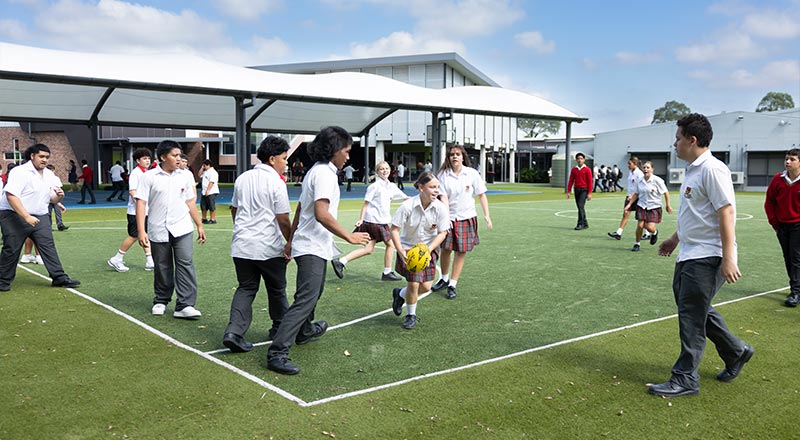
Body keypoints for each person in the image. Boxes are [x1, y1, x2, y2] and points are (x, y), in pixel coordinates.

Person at [649, 113, 753, 398]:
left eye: (678, 138)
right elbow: (696, 215)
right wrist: (673, 238)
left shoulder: (712, 169)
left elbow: (726, 212)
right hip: (689, 252)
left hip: (708, 256)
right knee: (694, 308)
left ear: (692, 140)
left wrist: (728, 256)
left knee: (692, 316)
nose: (675, 144)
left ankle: (685, 378)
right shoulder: (693, 170)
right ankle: (736, 351)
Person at [266, 126, 370, 375]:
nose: (348, 156)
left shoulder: (319, 172)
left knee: (313, 293)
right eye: (345, 151)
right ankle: (277, 352)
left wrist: (291, 239)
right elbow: (321, 214)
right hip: (311, 245)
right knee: (306, 299)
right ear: (333, 150)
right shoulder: (324, 174)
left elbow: (303, 206)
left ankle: (304, 331)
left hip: (312, 244)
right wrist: (349, 236)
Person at [223, 136, 292, 353]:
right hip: (267, 246)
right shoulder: (276, 182)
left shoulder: (243, 178)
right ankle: (280, 327)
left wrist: (242, 229)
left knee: (246, 288)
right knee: (277, 288)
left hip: (242, 245)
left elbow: (234, 209)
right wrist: (290, 242)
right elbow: (282, 218)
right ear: (272, 159)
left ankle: (234, 332)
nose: (286, 163)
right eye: (284, 158)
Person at [136, 140, 205, 319]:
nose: (178, 158)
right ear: (162, 157)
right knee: (162, 265)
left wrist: (199, 224)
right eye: (174, 155)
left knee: (185, 263)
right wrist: (141, 231)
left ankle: (185, 304)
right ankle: (161, 299)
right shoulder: (149, 177)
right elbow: (141, 203)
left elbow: (190, 201)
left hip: (182, 227)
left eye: (179, 155)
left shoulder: (185, 175)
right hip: (158, 228)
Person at [0, 144, 80, 291]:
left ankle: (59, 277)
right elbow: (11, 196)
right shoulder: (20, 172)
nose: (44, 160)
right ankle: (3, 281)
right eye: (41, 156)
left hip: (40, 215)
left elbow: (51, 199)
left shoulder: (49, 175)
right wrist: (26, 216)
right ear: (32, 156)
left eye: (47, 157)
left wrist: (59, 197)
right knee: (11, 248)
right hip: (14, 215)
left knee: (48, 246)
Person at [431, 144, 492, 300]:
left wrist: (487, 215)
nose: (455, 157)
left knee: (461, 252)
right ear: (449, 157)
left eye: (458, 154)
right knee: (445, 249)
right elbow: (443, 198)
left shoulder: (471, 174)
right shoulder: (443, 175)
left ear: (463, 156)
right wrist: (445, 218)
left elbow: (482, 195)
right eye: (452, 154)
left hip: (467, 217)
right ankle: (444, 279)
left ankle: (453, 283)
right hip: (450, 217)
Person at [390, 172, 450, 329]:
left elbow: (443, 232)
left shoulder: (440, 209)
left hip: (428, 249)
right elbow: (394, 229)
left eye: (437, 187)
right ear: (421, 187)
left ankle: (400, 294)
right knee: (414, 284)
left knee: (426, 287)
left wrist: (428, 250)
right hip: (409, 249)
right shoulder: (407, 206)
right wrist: (400, 250)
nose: (436, 190)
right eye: (432, 187)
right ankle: (411, 315)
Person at [331, 160, 408, 281]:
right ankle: (387, 272)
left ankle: (341, 261)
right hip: (375, 221)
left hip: (379, 221)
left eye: (386, 168)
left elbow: (405, 198)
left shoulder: (391, 187)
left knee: (369, 249)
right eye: (381, 169)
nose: (385, 171)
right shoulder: (374, 187)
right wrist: (361, 219)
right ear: (377, 172)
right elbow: (366, 204)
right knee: (391, 244)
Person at [107, 148, 155, 272]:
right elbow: (133, 191)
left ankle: (150, 261)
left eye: (148, 158)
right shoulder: (136, 173)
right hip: (135, 212)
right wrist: (140, 205)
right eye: (144, 158)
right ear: (137, 160)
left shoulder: (146, 173)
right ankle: (117, 258)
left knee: (144, 235)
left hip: (145, 211)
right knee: (134, 236)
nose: (147, 161)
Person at [764, 148, 800, 307]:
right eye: (786, 159)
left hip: (798, 226)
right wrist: (774, 223)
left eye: (792, 159)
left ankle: (795, 292)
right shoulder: (778, 179)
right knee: (789, 258)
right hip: (782, 227)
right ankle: (796, 287)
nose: (787, 162)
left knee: (796, 258)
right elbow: (769, 202)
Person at [624, 161, 672, 252]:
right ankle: (636, 244)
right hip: (642, 205)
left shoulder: (657, 180)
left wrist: (668, 205)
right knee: (640, 225)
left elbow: (665, 192)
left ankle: (654, 232)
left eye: (648, 167)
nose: (645, 169)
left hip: (654, 206)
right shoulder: (640, 180)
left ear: (652, 169)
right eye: (644, 167)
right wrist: (629, 205)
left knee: (649, 227)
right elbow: (636, 193)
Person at [608, 157, 644, 241]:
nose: (628, 165)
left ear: (635, 164)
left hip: (637, 197)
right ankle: (619, 233)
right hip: (629, 196)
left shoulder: (639, 174)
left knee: (641, 217)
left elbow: (640, 186)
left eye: (630, 164)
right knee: (626, 213)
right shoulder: (631, 172)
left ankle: (648, 233)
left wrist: (633, 195)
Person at [566, 152, 592, 230]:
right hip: (577, 190)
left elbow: (590, 181)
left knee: (580, 206)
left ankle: (580, 223)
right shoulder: (574, 169)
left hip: (584, 190)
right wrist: (568, 191)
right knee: (580, 207)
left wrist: (590, 193)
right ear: (576, 160)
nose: (580, 160)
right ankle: (585, 223)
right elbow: (571, 180)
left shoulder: (587, 169)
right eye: (578, 159)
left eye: (581, 158)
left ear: (584, 160)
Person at [44, 164, 68, 231]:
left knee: (58, 212)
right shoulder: (45, 179)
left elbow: (58, 188)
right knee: (48, 212)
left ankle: (60, 224)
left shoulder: (56, 178)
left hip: (55, 197)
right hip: (48, 197)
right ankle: (49, 226)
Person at [200, 160, 220, 224]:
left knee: (211, 206)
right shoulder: (205, 172)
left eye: (204, 165)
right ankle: (204, 218)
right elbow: (199, 174)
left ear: (208, 165)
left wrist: (208, 190)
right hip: (204, 192)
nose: (204, 167)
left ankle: (212, 219)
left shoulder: (213, 172)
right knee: (203, 206)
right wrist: (202, 168)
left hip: (211, 192)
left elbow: (212, 182)